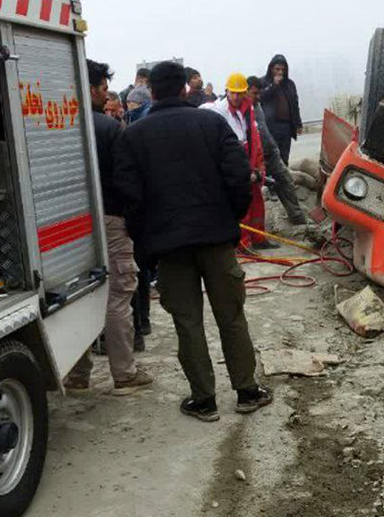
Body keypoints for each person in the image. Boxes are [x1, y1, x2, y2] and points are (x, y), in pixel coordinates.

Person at [116, 61, 273, 421]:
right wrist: (228, 219)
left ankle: (204, 399)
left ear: (152, 92)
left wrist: (147, 240)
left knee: (187, 323)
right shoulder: (212, 123)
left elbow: (129, 197)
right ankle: (247, 391)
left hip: (170, 249)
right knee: (231, 316)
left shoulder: (134, 136)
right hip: (216, 239)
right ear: (185, 89)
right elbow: (238, 177)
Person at [63, 60, 154, 396]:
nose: (106, 95)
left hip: (67, 226)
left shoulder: (56, 124)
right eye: (103, 89)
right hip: (111, 220)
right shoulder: (109, 128)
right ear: (90, 89)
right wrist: (136, 219)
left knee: (74, 295)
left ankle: (77, 375)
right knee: (118, 294)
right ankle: (124, 374)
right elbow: (127, 181)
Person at [207, 73, 270, 249]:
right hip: (234, 160)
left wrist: (258, 166)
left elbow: (254, 138)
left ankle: (259, 238)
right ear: (227, 91)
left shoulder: (248, 110)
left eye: (239, 93)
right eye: (232, 93)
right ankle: (243, 243)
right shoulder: (219, 112)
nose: (235, 97)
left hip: (249, 157)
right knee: (240, 202)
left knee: (256, 201)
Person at [248, 75, 308, 225]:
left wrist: (273, 146)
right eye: (255, 93)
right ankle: (253, 231)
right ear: (245, 91)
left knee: (285, 180)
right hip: (254, 158)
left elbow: (264, 129)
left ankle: (297, 217)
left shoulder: (257, 107)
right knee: (253, 193)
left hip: (270, 152)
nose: (258, 96)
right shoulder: (239, 111)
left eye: (259, 93)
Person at [259, 54, 301, 164]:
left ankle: (283, 178)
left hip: (286, 127)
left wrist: (298, 123)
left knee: (284, 157)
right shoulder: (263, 82)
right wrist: (273, 85)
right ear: (271, 68)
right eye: (277, 69)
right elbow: (260, 98)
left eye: (283, 69)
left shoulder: (290, 84)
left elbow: (295, 104)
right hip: (270, 126)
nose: (280, 72)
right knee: (272, 157)